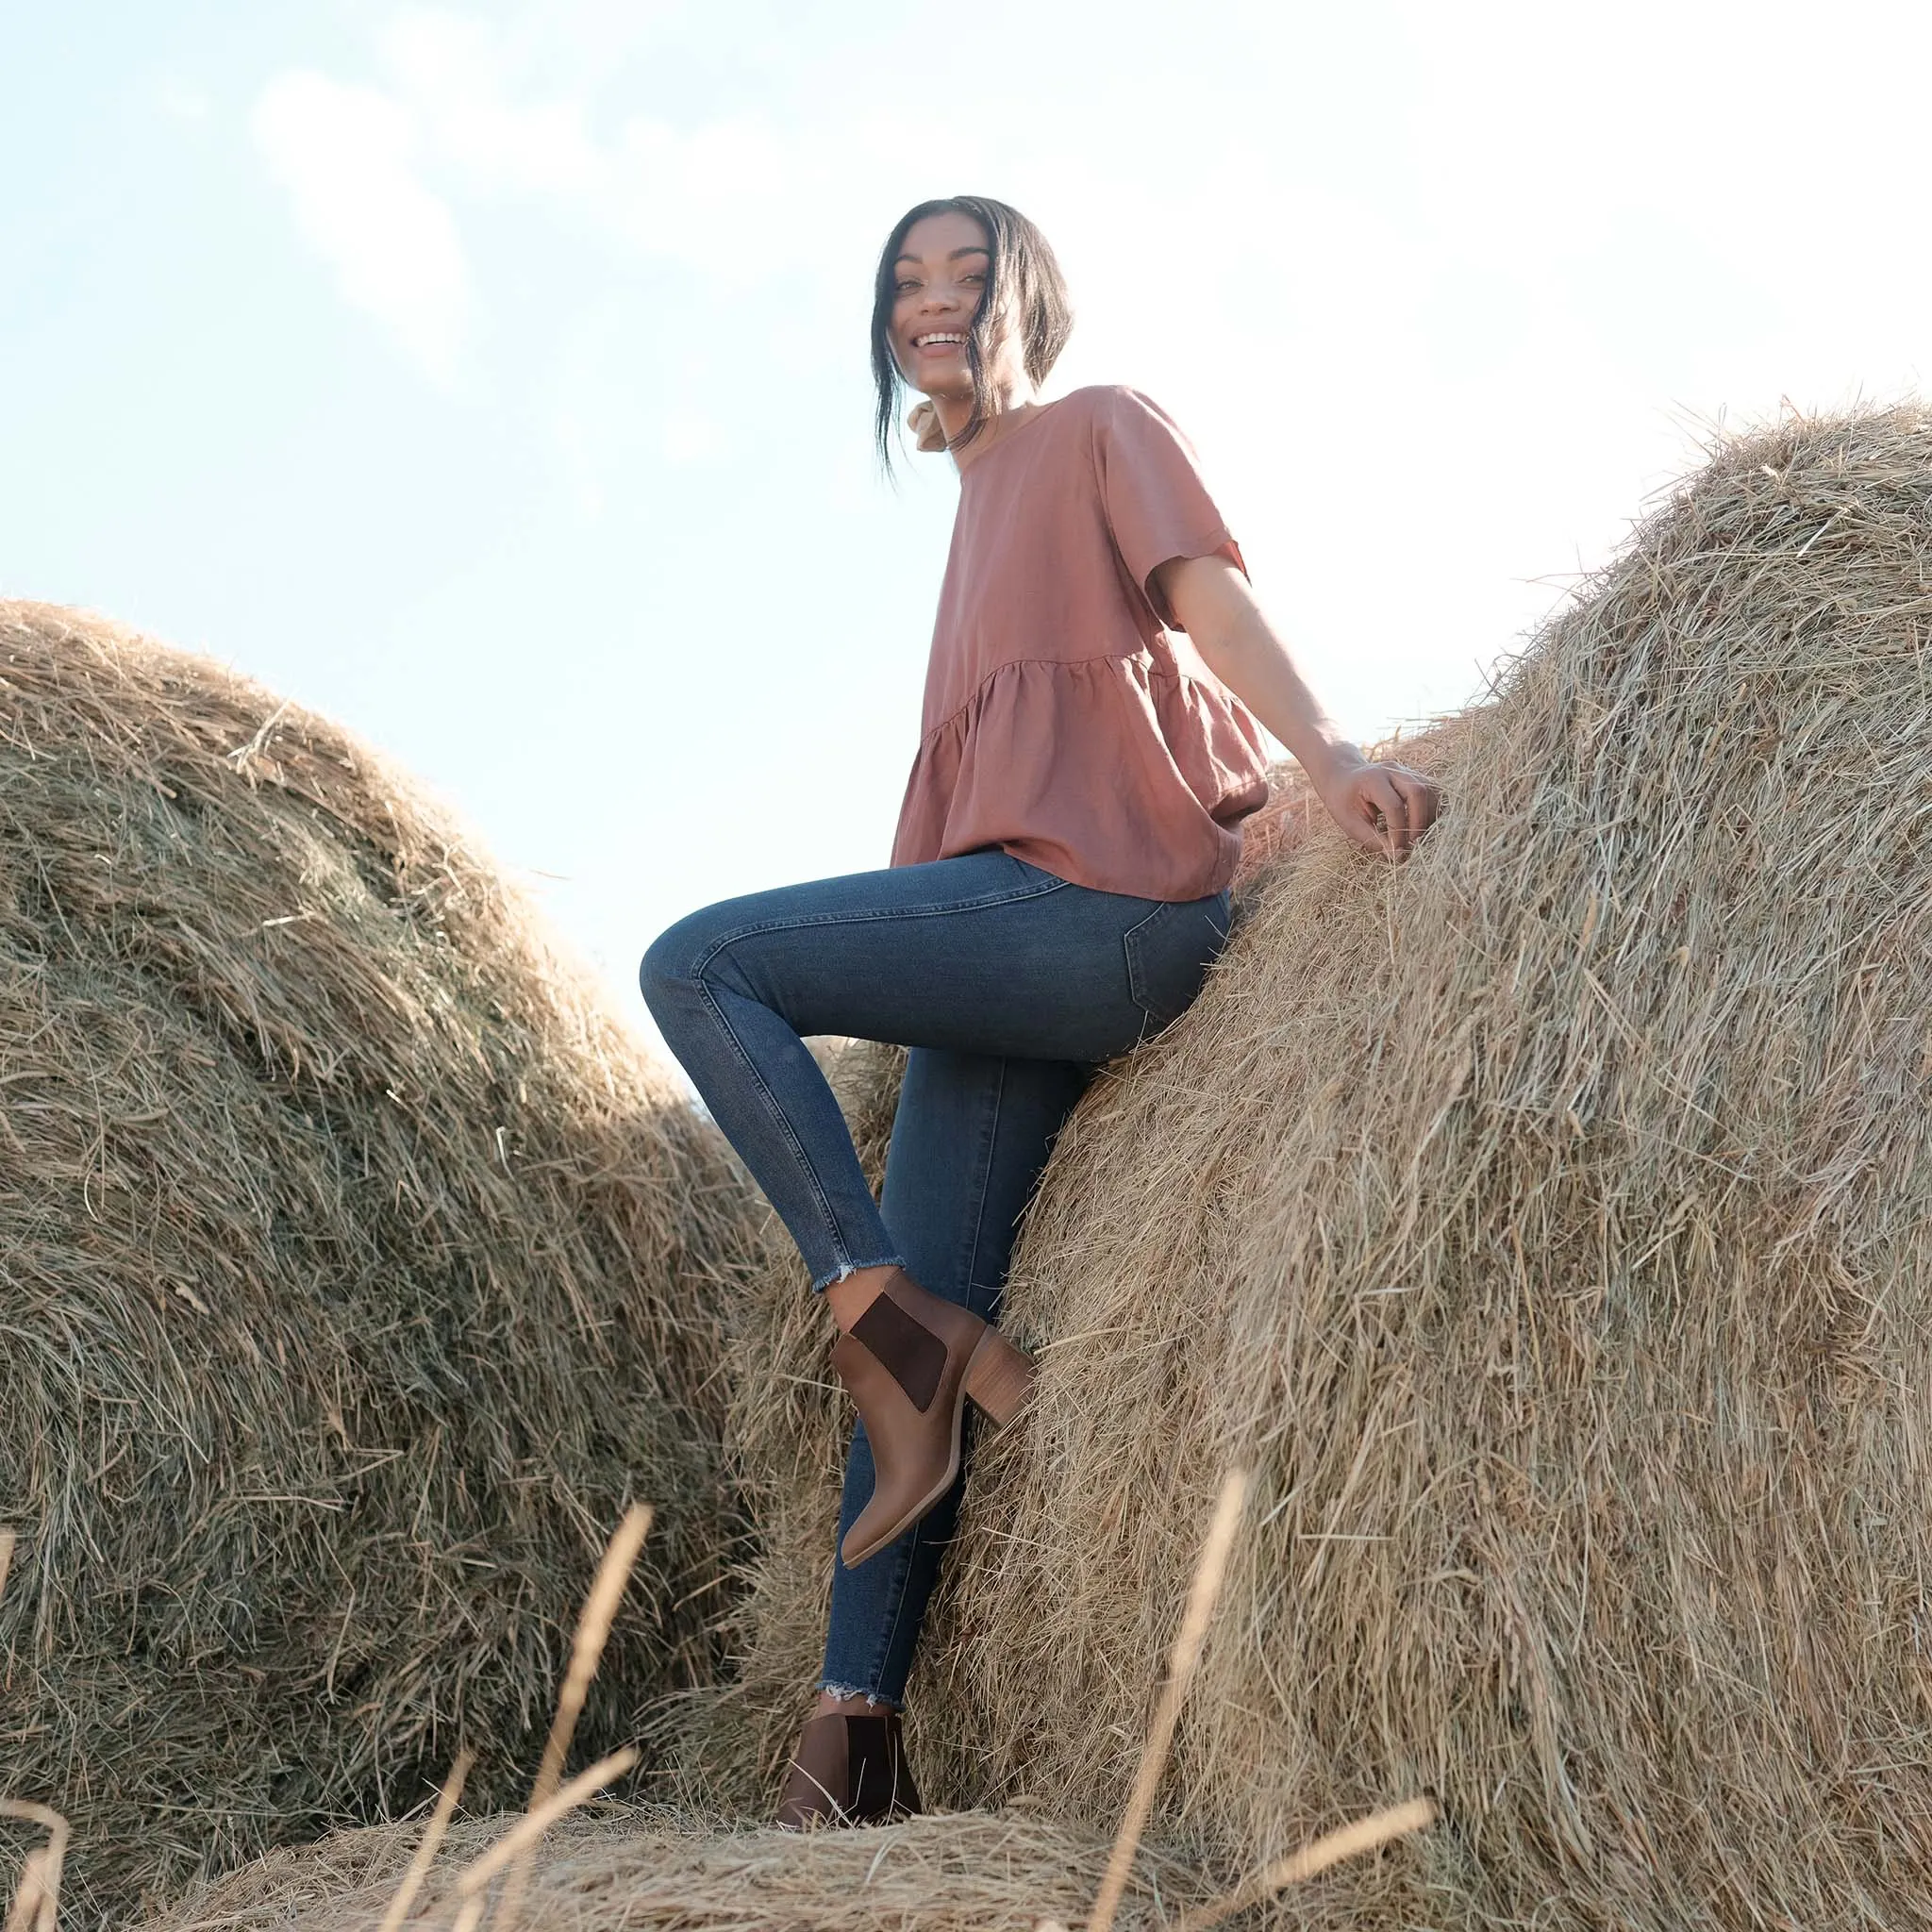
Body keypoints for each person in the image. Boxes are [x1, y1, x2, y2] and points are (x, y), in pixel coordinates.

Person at [641, 194, 1439, 1830]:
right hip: (1001, 956)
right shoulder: (965, 507)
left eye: (966, 273)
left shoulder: (1097, 426)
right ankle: (849, 1743)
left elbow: (1205, 597)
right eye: (904, 283)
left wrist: (1331, 754)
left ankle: (880, 1313)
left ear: (1028, 299)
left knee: (700, 964)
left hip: (1102, 913)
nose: (932, 303)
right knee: (918, 1352)